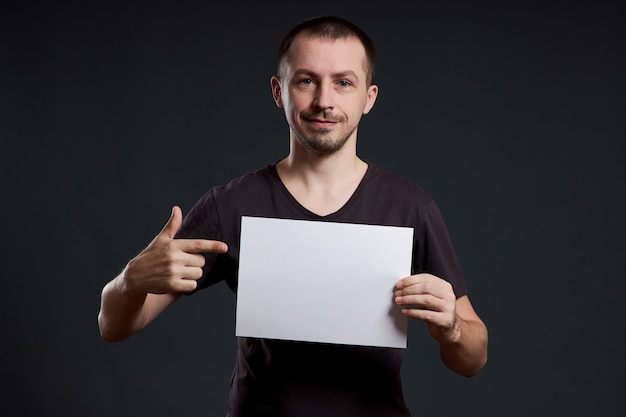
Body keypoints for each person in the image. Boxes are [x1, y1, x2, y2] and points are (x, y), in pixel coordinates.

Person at [98, 15, 488, 416]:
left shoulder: (410, 207)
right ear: (278, 91)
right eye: (306, 80)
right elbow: (113, 326)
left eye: (343, 82)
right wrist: (129, 281)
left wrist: (452, 330)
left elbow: (472, 360)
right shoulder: (232, 205)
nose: (324, 101)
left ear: (368, 97)